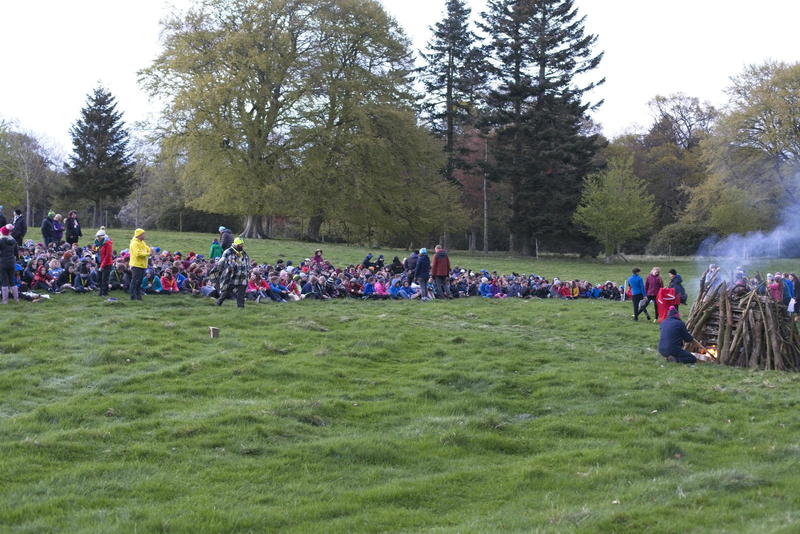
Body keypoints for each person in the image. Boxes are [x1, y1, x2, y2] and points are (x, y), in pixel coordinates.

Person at [216, 237, 250, 308]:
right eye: (240, 244)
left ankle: (240, 307)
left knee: (241, 293)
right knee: (227, 291)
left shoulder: (244, 253)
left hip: (243, 276)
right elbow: (221, 262)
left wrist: (247, 271)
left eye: (242, 244)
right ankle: (218, 302)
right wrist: (219, 271)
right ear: (235, 244)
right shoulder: (228, 252)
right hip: (232, 276)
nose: (242, 246)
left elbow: (247, 263)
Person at [128, 228, 151, 301]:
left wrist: (149, 251)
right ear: (139, 235)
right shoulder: (134, 243)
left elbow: (148, 248)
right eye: (143, 234)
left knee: (139, 282)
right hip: (136, 265)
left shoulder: (142, 242)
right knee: (135, 281)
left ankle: (138, 296)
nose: (144, 235)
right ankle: (133, 297)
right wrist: (148, 254)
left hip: (142, 265)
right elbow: (138, 254)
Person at [0, 224, 19, 303]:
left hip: (3, 262)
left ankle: (5, 300)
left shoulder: (1, 241)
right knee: (12, 281)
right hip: (12, 262)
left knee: (4, 281)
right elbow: (16, 252)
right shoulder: (13, 240)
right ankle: (16, 299)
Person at [96, 229, 113, 296]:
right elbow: (97, 251)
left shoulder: (108, 243)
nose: (97, 238)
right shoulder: (99, 243)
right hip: (100, 262)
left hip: (107, 264)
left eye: (99, 237)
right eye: (97, 237)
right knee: (99, 278)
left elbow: (108, 256)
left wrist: (102, 265)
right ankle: (101, 292)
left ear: (102, 236)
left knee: (104, 279)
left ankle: (104, 293)